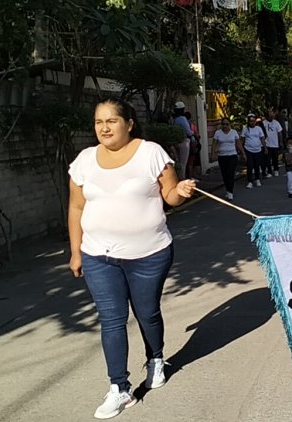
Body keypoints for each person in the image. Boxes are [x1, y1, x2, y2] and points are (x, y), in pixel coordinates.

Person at [68, 98, 197, 420]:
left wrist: (180, 191)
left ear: (129, 123)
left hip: (149, 254)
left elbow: (169, 196)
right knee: (111, 320)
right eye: (99, 122)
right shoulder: (84, 160)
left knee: (147, 313)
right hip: (98, 255)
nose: (104, 127)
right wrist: (75, 250)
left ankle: (155, 360)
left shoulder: (151, 153)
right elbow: (76, 208)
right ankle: (119, 388)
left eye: (112, 121)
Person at [212, 118, 244, 200]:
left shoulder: (234, 132)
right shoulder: (218, 133)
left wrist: (243, 153)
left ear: (230, 124)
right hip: (222, 156)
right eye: (223, 124)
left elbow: (238, 143)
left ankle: (230, 192)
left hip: (232, 155)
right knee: (225, 175)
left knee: (230, 173)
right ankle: (227, 190)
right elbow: (214, 144)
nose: (225, 126)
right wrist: (213, 154)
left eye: (227, 124)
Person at [241, 113, 266, 189]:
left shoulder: (258, 129)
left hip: (258, 150)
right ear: (248, 121)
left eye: (253, 121)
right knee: (249, 166)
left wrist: (265, 148)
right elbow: (242, 140)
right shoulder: (245, 129)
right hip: (248, 150)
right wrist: (241, 151)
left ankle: (257, 179)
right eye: (250, 121)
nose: (252, 122)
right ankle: (250, 181)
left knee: (257, 165)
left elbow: (262, 138)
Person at [171, 102, 193, 179]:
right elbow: (188, 131)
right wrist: (193, 134)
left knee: (177, 162)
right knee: (183, 163)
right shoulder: (182, 119)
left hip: (175, 142)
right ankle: (182, 178)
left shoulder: (174, 119)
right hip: (184, 141)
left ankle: (176, 178)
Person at [263, 109, 284, 177]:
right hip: (267, 143)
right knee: (267, 159)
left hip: (275, 143)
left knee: (275, 158)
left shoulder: (276, 123)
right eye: (269, 116)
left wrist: (280, 142)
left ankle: (276, 170)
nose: (271, 117)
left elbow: (280, 133)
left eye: (272, 116)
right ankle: (269, 171)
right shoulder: (264, 123)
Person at [184, 111, 200, 179]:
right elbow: (196, 135)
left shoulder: (183, 124)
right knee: (191, 162)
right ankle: (191, 176)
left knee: (186, 162)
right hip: (193, 145)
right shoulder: (192, 125)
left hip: (185, 144)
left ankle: (187, 176)